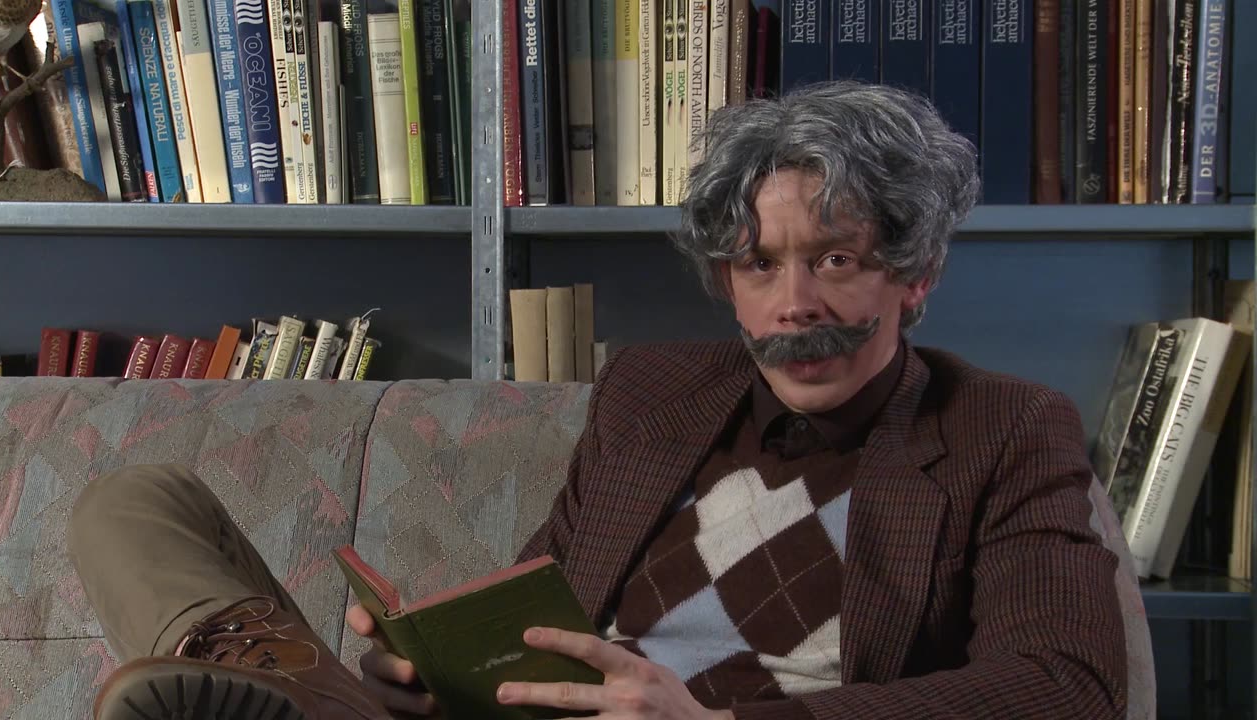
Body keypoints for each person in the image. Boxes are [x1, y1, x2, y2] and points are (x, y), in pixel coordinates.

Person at [72, 81, 1129, 720]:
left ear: (915, 273)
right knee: (135, 502)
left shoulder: (1003, 428)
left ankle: (295, 706)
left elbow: (1066, 685)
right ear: (726, 280)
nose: (796, 303)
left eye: (837, 259)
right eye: (758, 265)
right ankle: (297, 687)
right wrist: (431, 676)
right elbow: (542, 614)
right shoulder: (653, 391)